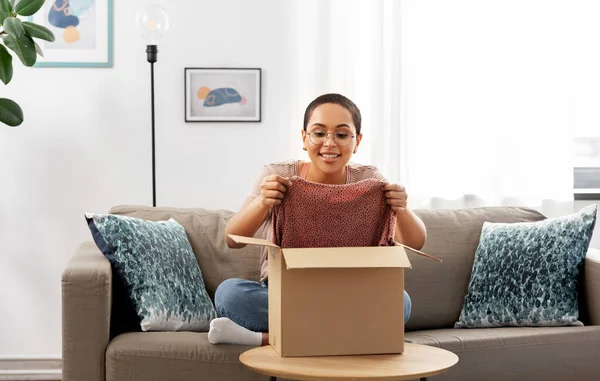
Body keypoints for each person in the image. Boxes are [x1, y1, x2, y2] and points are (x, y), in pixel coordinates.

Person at [207, 93, 427, 346]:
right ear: (304, 138)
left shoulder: (371, 178)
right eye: (319, 133)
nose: (329, 143)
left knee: (401, 301)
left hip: (353, 294)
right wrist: (263, 202)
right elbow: (232, 239)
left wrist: (403, 208)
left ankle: (267, 339)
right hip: (285, 293)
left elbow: (416, 243)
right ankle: (352, 336)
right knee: (230, 294)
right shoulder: (277, 174)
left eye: (342, 135)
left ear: (357, 142)